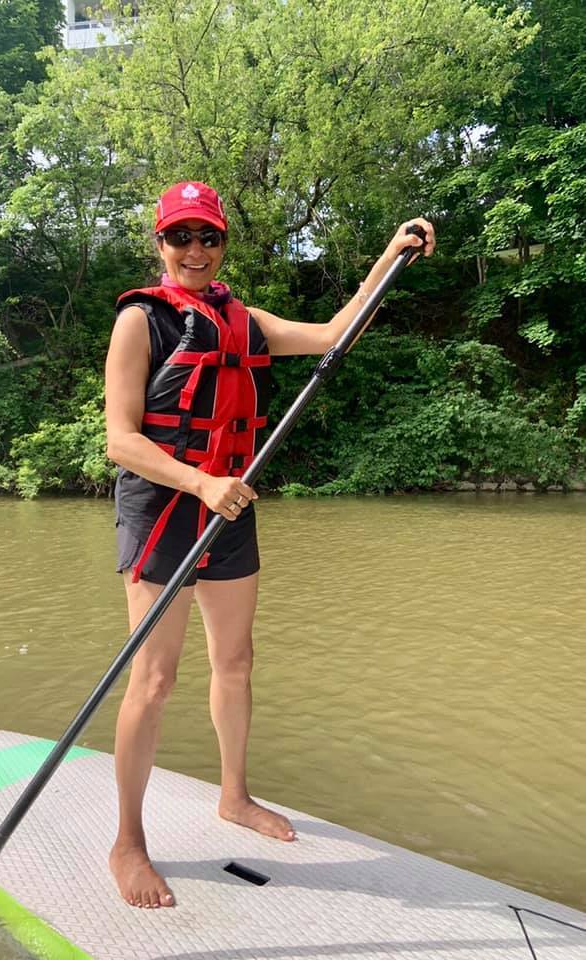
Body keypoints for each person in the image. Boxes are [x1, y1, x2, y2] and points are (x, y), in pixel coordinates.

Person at [105, 181, 435, 909]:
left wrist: (390, 257)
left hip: (229, 505)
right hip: (165, 508)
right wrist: (200, 484)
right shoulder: (140, 322)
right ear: (160, 243)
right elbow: (120, 441)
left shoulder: (245, 321)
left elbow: (336, 332)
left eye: (208, 236)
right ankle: (127, 841)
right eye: (180, 236)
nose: (195, 249)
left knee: (236, 661)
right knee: (154, 682)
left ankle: (234, 796)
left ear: (223, 243)